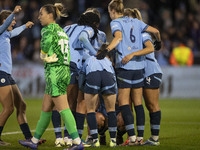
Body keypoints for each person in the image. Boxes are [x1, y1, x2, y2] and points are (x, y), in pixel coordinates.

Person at [18, 3, 84, 150]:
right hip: (64, 70)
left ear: (50, 15)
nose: (39, 17)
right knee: (46, 108)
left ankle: (77, 142)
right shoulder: (61, 31)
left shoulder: (47, 30)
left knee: (64, 108)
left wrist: (44, 56)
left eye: (41, 14)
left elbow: (44, 51)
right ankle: (34, 142)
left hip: (55, 72)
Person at [96, 0, 161, 145]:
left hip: (125, 67)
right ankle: (140, 138)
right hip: (139, 68)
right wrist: (159, 42)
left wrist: (107, 50)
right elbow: (156, 31)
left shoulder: (116, 23)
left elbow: (118, 38)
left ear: (112, 10)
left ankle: (132, 137)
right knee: (138, 104)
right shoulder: (138, 24)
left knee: (124, 103)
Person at [118, 8, 162, 146]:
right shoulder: (131, 36)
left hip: (150, 71)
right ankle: (135, 137)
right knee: (134, 104)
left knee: (151, 105)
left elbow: (150, 47)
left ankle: (154, 138)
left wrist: (132, 54)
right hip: (138, 72)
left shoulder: (142, 34)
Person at [0, 6, 34, 146]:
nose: (14, 22)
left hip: (7, 74)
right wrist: (13, 13)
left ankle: (29, 138)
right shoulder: (0, 31)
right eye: (12, 20)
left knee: (21, 105)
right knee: (8, 108)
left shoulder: (6, 35)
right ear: (4, 21)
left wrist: (25, 26)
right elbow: (7, 25)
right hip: (1, 74)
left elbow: (15, 31)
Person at [81, 43, 117, 147]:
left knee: (90, 110)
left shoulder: (89, 59)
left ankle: (95, 140)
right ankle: (113, 141)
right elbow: (114, 81)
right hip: (108, 76)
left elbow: (82, 80)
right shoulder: (108, 61)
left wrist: (85, 90)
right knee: (111, 110)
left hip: (93, 75)